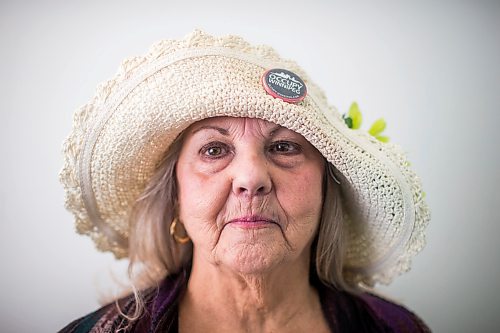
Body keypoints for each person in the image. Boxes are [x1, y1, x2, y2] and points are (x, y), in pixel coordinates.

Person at [59, 30, 431, 332]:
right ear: (175, 197)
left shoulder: (394, 328)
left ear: (325, 190)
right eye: (214, 150)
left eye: (284, 147)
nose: (251, 178)